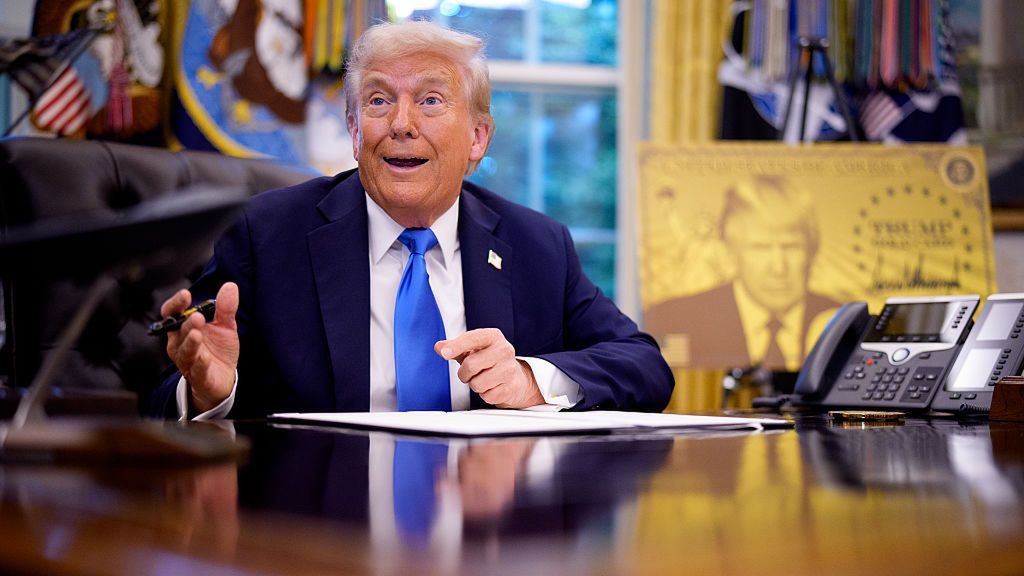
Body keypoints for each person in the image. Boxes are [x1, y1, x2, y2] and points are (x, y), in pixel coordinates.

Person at [150, 21, 673, 419]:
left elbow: (645, 366)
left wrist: (530, 380)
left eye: (430, 100)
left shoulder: (536, 244)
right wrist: (208, 391)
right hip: (320, 534)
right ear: (354, 132)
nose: (401, 124)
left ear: (478, 138)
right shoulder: (268, 233)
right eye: (379, 101)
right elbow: (154, 391)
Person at [644, 175, 839, 372]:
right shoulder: (675, 318)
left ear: (812, 251)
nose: (779, 267)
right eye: (760, 247)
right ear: (731, 251)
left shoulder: (843, 324)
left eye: (791, 247)